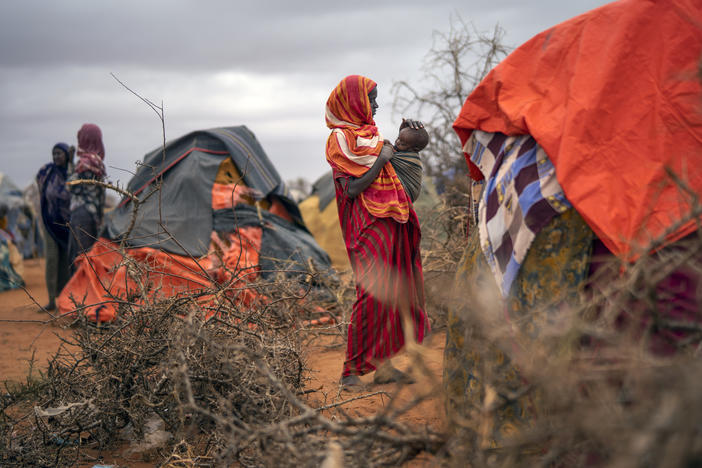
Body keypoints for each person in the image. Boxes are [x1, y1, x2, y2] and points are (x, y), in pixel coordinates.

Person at [324, 75, 431, 390]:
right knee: (371, 295)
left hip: (390, 223)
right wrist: (380, 160)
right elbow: (353, 189)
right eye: (371, 99)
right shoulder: (340, 140)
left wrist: (405, 139)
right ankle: (350, 371)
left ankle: (384, 367)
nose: (376, 105)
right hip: (366, 227)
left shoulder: (371, 136)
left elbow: (397, 175)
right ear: (355, 101)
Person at [36, 142, 73, 310]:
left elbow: (72, 193)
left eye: (59, 153)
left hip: (67, 225)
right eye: (54, 153)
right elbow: (41, 188)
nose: (56, 157)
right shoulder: (48, 172)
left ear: (66, 155)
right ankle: (51, 300)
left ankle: (64, 299)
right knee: (51, 259)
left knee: (66, 262)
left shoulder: (72, 173)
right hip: (49, 222)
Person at [67, 123, 106, 271]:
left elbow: (72, 186)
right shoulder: (98, 162)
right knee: (89, 256)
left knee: (79, 258)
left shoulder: (84, 163)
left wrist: (69, 164)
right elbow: (101, 195)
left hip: (80, 215)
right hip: (93, 215)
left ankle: (80, 293)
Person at [388, 123, 429, 202]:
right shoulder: (403, 150)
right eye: (398, 138)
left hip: (406, 193)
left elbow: (387, 155)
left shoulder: (411, 160)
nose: (397, 142)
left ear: (415, 149)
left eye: (403, 143)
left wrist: (386, 146)